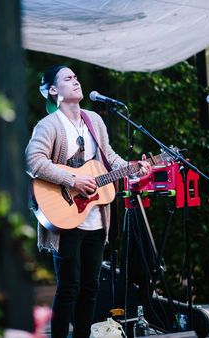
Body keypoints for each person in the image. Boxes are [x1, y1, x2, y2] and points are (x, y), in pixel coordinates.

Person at [25, 65, 151, 338]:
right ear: (53, 90)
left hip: (95, 217)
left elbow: (108, 159)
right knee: (69, 286)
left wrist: (133, 166)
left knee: (90, 287)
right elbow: (33, 161)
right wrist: (72, 180)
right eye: (68, 78)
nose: (76, 80)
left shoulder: (94, 120)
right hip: (65, 214)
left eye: (76, 76)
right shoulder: (49, 125)